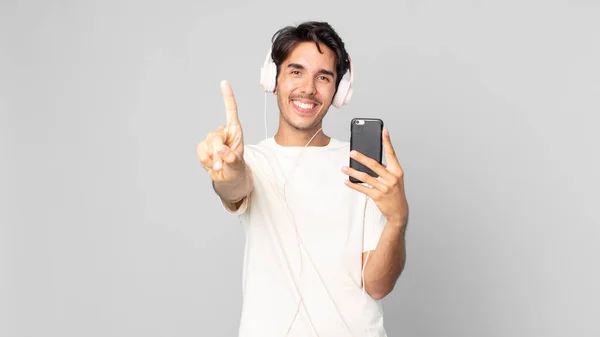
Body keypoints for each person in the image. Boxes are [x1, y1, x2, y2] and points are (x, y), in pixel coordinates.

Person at [197, 21, 409, 337]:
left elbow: (377, 286)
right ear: (273, 79)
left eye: (323, 77)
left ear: (339, 91)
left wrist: (397, 220)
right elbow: (235, 185)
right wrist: (228, 171)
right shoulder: (251, 162)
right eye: (296, 72)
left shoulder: (360, 167)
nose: (308, 88)